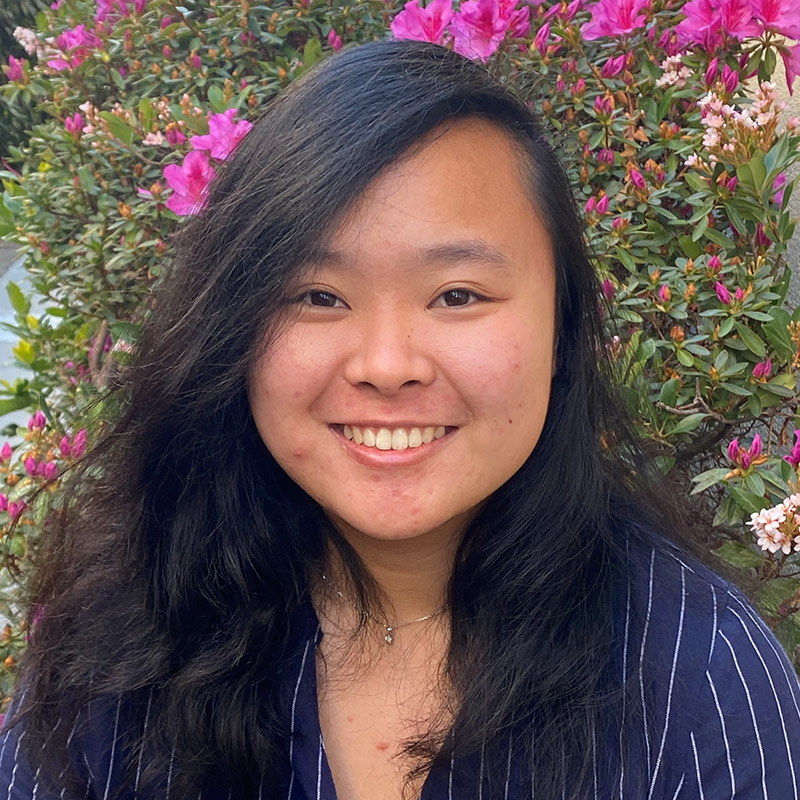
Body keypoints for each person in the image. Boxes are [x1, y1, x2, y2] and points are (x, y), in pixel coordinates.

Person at [1, 37, 799, 800]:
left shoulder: (702, 681)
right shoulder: (121, 641)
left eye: (457, 295)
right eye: (318, 296)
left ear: (561, 329)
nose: (386, 365)